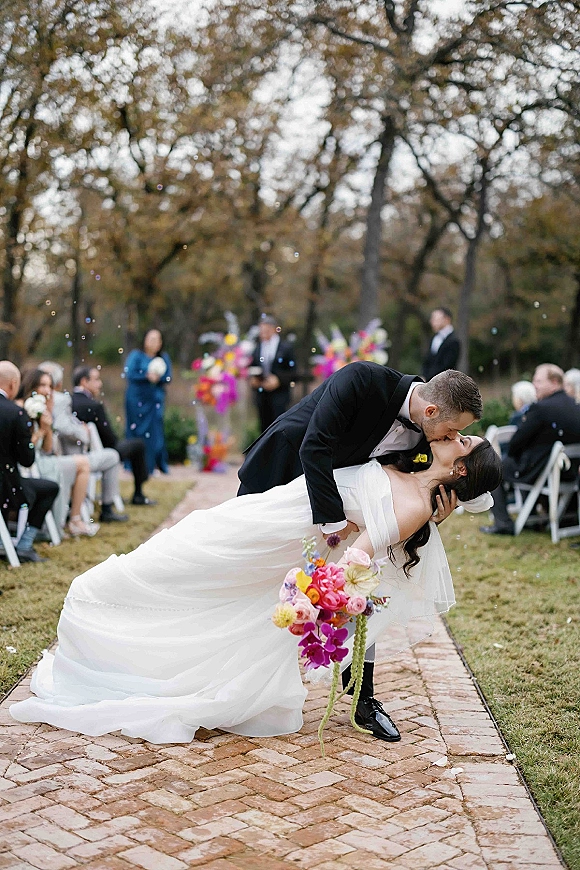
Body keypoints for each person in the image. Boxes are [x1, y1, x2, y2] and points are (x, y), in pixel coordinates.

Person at [9, 434, 502, 743]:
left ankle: (114, 614)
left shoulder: (418, 505)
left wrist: (326, 582)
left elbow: (361, 554)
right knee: (195, 542)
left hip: (294, 537)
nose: (455, 436)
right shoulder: (416, 453)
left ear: (460, 469)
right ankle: (116, 602)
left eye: (464, 441)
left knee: (209, 572)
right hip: (278, 509)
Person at [242, 362, 483, 739]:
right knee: (253, 578)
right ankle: (243, 673)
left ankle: (362, 696)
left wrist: (437, 511)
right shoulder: (362, 380)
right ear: (432, 411)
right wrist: (334, 523)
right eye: (453, 429)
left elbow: (415, 491)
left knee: (362, 590)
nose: (453, 437)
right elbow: (315, 444)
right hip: (282, 475)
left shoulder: (429, 436)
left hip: (343, 510)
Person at [481, 363, 580, 535]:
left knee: (494, 468)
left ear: (555, 382)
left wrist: (512, 453)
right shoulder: (574, 405)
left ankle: (503, 523)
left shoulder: (541, 408)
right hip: (570, 472)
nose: (534, 384)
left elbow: (516, 442)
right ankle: (563, 517)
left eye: (538, 380)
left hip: (542, 471)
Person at [38, 362, 128, 524]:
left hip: (55, 455)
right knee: (112, 456)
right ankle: (101, 510)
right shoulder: (60, 399)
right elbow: (62, 425)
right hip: (69, 456)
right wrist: (83, 432)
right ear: (58, 383)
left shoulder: (36, 401)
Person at [18, 369, 97, 537]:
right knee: (82, 463)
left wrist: (47, 428)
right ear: (31, 386)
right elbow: (23, 449)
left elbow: (47, 449)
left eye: (50, 386)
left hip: (42, 459)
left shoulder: (43, 410)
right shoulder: (22, 409)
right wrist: (40, 432)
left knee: (81, 462)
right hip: (28, 464)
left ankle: (73, 519)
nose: (47, 390)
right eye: (42, 385)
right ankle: (74, 520)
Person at [0, 361, 59, 563]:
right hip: (6, 490)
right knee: (50, 488)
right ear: (13, 384)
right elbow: (27, 460)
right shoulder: (15, 413)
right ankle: (24, 546)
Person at [72, 366, 155, 506]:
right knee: (139, 445)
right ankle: (139, 494)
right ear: (84, 382)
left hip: (77, 453)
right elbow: (110, 440)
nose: (100, 384)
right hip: (104, 452)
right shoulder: (94, 406)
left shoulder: (68, 402)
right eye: (96, 379)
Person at [124, 329, 172, 475]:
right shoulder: (136, 356)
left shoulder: (163, 358)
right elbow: (129, 373)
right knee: (135, 430)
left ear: (160, 343)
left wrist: (159, 378)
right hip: (136, 399)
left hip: (154, 400)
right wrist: (146, 376)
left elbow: (168, 377)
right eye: (150, 338)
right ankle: (132, 464)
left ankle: (152, 464)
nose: (152, 342)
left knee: (154, 432)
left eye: (156, 339)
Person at [248, 314, 296, 432]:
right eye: (261, 330)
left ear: (274, 329)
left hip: (280, 394)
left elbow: (294, 372)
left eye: (266, 329)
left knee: (279, 426)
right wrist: (253, 379)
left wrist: (278, 380)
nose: (263, 332)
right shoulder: (257, 348)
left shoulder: (285, 348)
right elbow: (252, 366)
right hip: (262, 394)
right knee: (264, 427)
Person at [422, 307, 461, 380]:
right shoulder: (434, 338)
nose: (431, 321)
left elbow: (447, 366)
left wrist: (429, 378)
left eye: (435, 319)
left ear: (447, 319)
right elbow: (428, 360)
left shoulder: (454, 341)